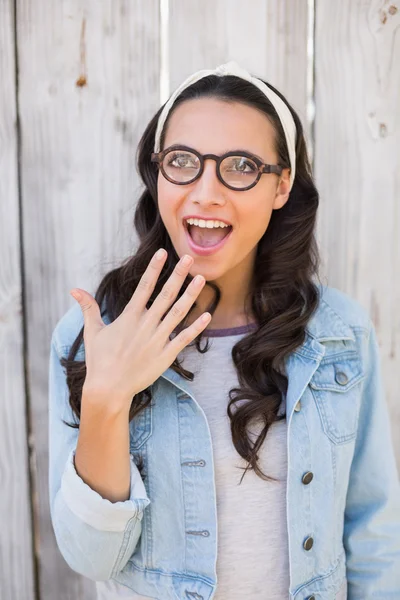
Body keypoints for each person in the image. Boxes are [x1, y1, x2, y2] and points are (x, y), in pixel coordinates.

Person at [48, 61, 400, 599]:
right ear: (157, 172)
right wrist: (106, 398)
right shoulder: (95, 333)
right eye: (182, 161)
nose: (206, 193)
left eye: (239, 166)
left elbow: (373, 529)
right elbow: (90, 557)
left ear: (281, 185)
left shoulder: (341, 333)